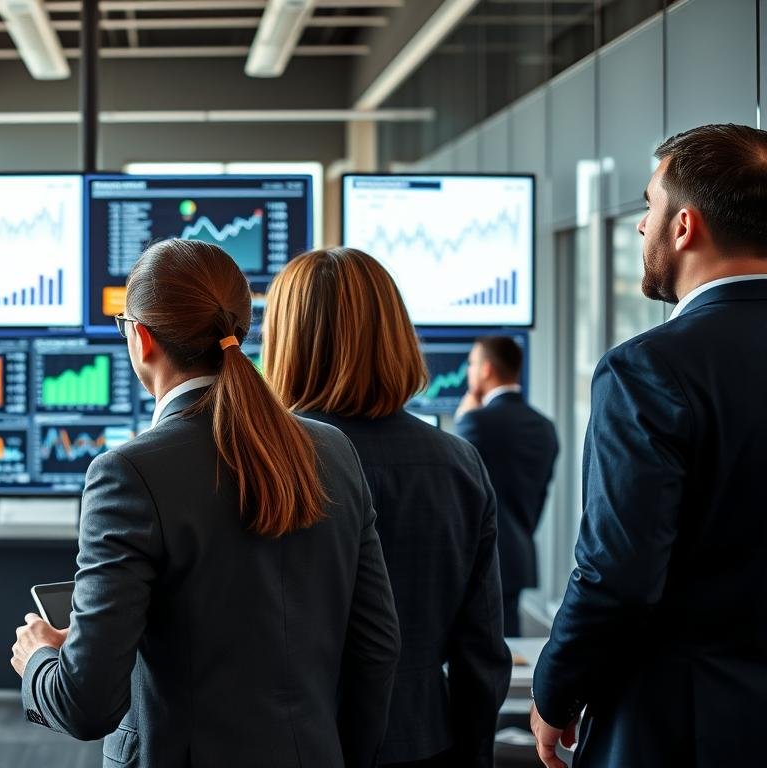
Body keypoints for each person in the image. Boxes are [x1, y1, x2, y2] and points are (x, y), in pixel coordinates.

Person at [10, 239, 400, 767]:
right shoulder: (334, 450)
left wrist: (38, 658)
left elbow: (86, 704)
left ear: (142, 338)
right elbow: (377, 648)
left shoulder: (127, 473)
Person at [530, 124, 767, 768]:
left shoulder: (649, 368)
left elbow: (620, 574)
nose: (641, 226)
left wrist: (556, 689)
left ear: (684, 226)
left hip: (681, 727)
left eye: (649, 205)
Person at [263, 247, 511, 768]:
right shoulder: (459, 465)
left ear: (285, 340)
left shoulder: (262, 464)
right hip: (422, 742)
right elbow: (482, 652)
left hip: (289, 743)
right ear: (396, 335)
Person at [454, 336, 559, 637]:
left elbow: (454, 488)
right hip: (517, 557)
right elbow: (538, 499)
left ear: (486, 369)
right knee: (506, 647)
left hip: (475, 559)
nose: (468, 372)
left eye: (471, 364)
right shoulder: (544, 427)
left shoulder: (475, 422)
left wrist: (462, 419)